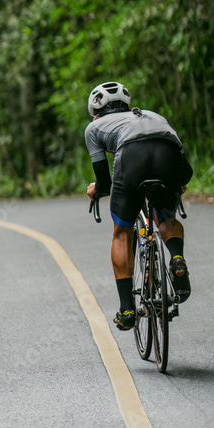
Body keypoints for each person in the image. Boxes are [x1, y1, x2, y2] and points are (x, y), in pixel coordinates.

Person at [83, 82, 193, 331]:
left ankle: (127, 309)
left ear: (96, 113)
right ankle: (176, 258)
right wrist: (178, 185)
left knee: (122, 233)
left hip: (132, 156)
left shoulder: (94, 127)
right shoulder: (154, 116)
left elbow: (104, 183)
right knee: (166, 218)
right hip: (169, 155)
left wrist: (96, 190)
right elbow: (186, 170)